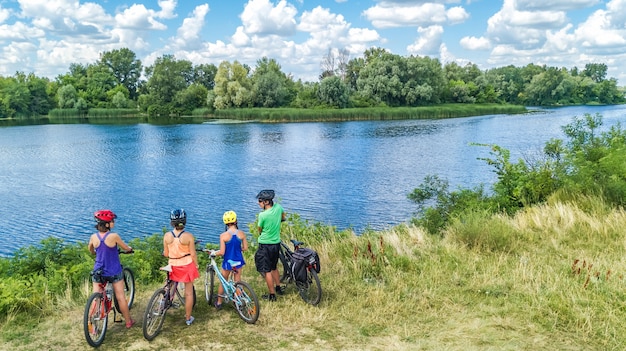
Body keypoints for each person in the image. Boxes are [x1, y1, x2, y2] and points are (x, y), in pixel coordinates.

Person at [88, 209, 135, 328]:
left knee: (95, 298)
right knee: (120, 297)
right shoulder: (114, 236)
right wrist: (129, 249)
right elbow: (125, 247)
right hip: (114, 271)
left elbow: (91, 249)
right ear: (107, 224)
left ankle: (91, 324)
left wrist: (94, 252)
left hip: (98, 270)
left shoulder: (93, 237)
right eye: (112, 220)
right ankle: (128, 321)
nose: (114, 222)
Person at [163, 209, 199, 326]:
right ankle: (188, 318)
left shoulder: (167, 236)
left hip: (173, 265)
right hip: (186, 266)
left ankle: (161, 304)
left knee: (168, 286)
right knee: (188, 293)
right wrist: (196, 264)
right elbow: (193, 254)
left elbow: (166, 253)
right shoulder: (188, 236)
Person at [254, 189, 286, 301]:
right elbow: (283, 216)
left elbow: (259, 229)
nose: (258, 203)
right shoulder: (278, 207)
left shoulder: (263, 215)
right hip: (276, 243)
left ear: (266, 202)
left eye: (260, 201)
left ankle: (272, 295)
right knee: (274, 267)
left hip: (265, 245)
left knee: (266, 270)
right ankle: (278, 287)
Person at [212, 210, 249, 309]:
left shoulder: (223, 236)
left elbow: (222, 252)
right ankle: (239, 300)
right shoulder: (241, 233)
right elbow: (245, 248)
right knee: (237, 281)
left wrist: (214, 253)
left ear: (225, 223)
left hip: (228, 261)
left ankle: (219, 302)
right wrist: (238, 249)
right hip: (239, 260)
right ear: (236, 221)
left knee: (223, 281)